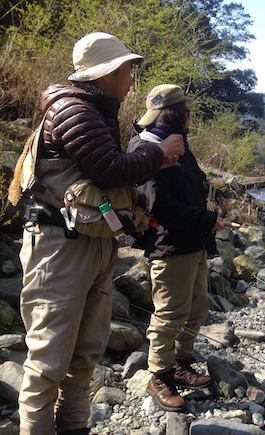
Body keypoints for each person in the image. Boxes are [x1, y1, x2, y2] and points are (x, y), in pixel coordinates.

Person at [17, 33, 185, 435]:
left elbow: (104, 169)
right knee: (48, 360)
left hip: (91, 241)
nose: (132, 78)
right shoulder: (73, 109)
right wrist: (158, 154)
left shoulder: (96, 110)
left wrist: (148, 163)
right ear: (105, 72)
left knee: (86, 352)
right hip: (60, 246)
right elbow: (110, 168)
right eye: (127, 69)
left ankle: (75, 427)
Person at [127, 84, 225, 412]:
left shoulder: (179, 143)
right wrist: (206, 219)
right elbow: (159, 206)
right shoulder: (147, 147)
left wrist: (205, 221)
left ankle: (182, 364)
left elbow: (192, 186)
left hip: (192, 242)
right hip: (169, 246)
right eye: (187, 110)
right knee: (169, 314)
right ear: (175, 113)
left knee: (196, 310)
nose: (190, 116)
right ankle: (160, 375)